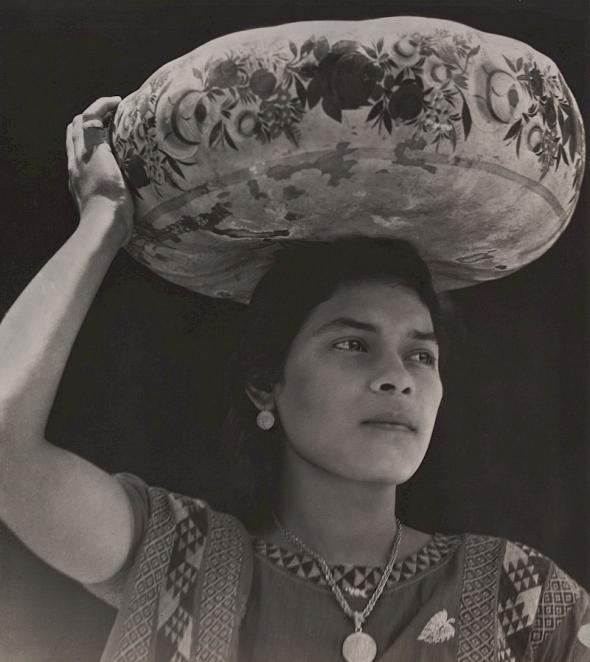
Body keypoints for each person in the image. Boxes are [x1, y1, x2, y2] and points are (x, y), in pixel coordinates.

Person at [0, 96, 589, 662]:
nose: (396, 378)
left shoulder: (523, 602)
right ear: (266, 385)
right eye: (353, 344)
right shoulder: (181, 560)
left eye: (421, 356)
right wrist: (103, 216)